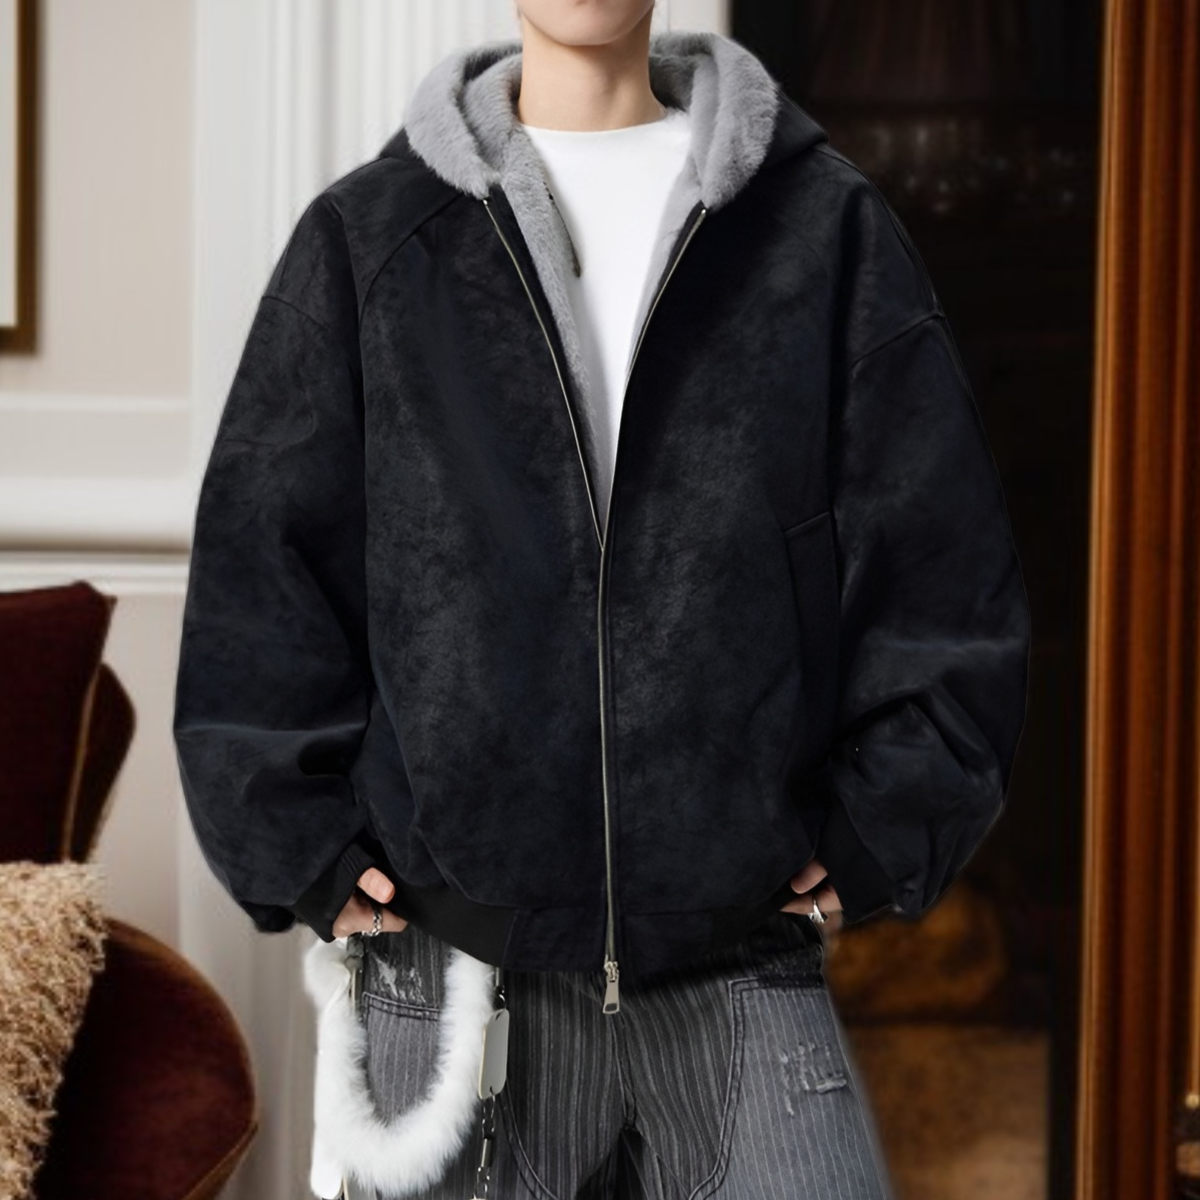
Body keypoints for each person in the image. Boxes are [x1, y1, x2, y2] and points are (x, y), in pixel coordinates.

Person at [173, 3, 1031, 1198]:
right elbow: (263, 565)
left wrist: (884, 822)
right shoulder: (370, 238)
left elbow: (941, 563)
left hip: (739, 956)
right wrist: (298, 841)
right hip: (456, 968)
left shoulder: (822, 227)